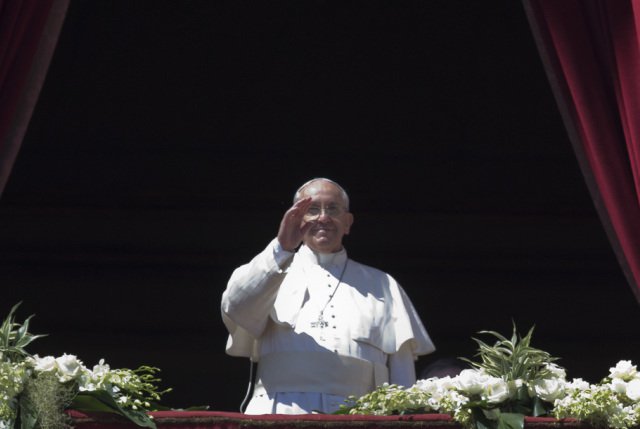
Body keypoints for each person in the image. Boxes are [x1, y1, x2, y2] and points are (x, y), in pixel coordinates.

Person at [221, 178, 435, 414]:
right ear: (296, 219)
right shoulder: (267, 271)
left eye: (332, 209)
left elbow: (402, 373)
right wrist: (282, 248)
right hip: (279, 411)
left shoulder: (383, 284)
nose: (323, 218)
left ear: (347, 222)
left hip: (361, 415)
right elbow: (236, 306)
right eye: (312, 210)